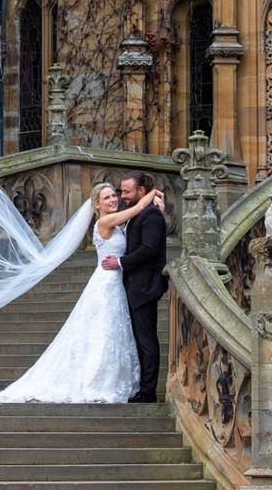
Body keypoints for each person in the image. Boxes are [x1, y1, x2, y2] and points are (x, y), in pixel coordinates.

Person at [0, 182, 166, 404]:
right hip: (107, 282)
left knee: (109, 332)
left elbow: (136, 218)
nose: (114, 199)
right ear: (96, 205)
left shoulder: (117, 224)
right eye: (107, 197)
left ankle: (116, 380)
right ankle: (98, 381)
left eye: (114, 195)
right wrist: (155, 191)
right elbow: (137, 208)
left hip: (117, 282)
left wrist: (157, 207)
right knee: (102, 332)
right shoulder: (106, 222)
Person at [101, 171, 169, 403]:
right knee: (139, 339)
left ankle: (148, 391)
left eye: (126, 191)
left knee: (146, 340)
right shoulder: (139, 211)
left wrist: (120, 262)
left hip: (145, 287)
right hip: (132, 286)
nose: (122, 196)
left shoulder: (152, 216)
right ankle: (140, 386)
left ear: (141, 191)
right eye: (120, 191)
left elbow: (149, 249)